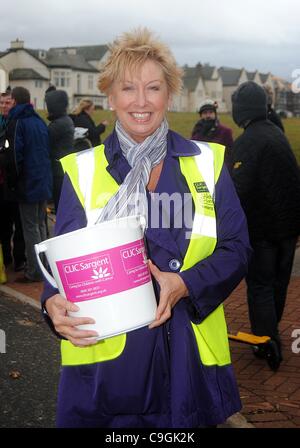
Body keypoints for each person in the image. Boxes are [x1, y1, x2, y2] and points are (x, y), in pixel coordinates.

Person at [41, 28, 251, 428]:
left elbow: (237, 248)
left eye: (153, 88)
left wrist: (185, 282)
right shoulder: (82, 170)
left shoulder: (208, 163)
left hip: (187, 359)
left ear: (168, 94)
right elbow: (62, 263)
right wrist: (52, 303)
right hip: (110, 367)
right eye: (128, 89)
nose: (140, 102)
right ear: (111, 96)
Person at [231, 81, 300, 370]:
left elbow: (236, 189)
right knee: (277, 285)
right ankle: (270, 335)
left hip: (262, 232)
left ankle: (266, 341)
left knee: (260, 286)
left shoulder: (248, 142)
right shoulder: (277, 135)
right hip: (287, 229)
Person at [4, 86, 52, 282]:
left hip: (28, 182)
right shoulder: (39, 121)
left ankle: (35, 271)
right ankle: (45, 266)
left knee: (30, 227)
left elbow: (14, 155)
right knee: (40, 225)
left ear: (14, 100)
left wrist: (12, 181)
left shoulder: (17, 122)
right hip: (42, 180)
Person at [0, 92, 26, 271]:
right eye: (1, 102)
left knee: (19, 223)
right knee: (3, 224)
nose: (4, 106)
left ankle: (18, 259)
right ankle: (6, 258)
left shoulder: (17, 123)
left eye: (7, 102)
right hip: (2, 183)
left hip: (16, 182)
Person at [45, 89, 74, 212]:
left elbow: (45, 142)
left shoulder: (58, 125)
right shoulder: (65, 120)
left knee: (61, 209)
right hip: (63, 169)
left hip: (58, 171)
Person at [191, 99, 234, 170]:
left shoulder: (225, 132)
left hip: (221, 172)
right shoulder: (197, 132)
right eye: (205, 113)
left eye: (211, 112)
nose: (208, 115)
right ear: (201, 116)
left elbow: (230, 155)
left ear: (215, 114)